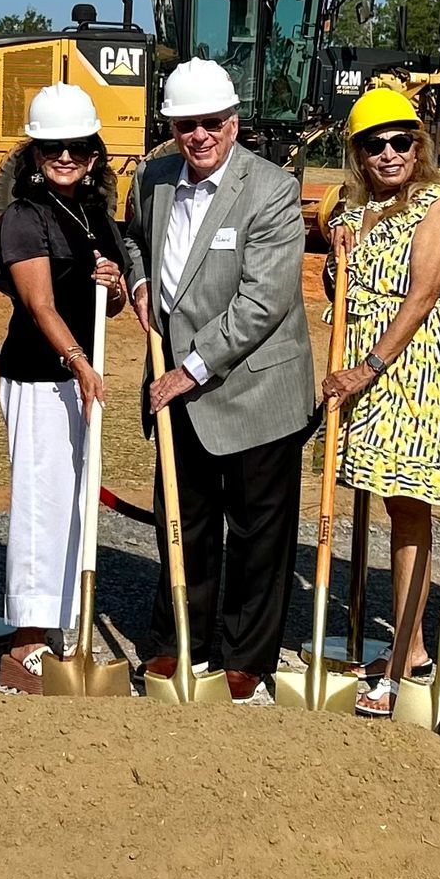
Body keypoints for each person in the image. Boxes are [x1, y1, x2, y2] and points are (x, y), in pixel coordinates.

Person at [121, 58, 316, 700]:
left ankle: (246, 654)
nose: (198, 136)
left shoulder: (271, 189)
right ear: (171, 128)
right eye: (185, 126)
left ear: (233, 122)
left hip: (256, 387)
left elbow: (265, 300)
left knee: (259, 531)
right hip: (178, 386)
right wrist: (143, 281)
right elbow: (132, 240)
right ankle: (184, 638)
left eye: (211, 123)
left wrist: (190, 370)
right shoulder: (152, 179)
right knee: (185, 518)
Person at [320, 90, 440, 716]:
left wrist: (367, 368)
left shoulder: (433, 206)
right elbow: (338, 263)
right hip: (362, 374)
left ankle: (402, 662)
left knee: (409, 511)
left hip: (410, 373)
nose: (390, 154)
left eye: (402, 142)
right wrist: (338, 239)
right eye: (376, 144)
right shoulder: (354, 207)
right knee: (386, 505)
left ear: (418, 147)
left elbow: (422, 298)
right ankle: (415, 648)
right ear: (359, 154)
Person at [0, 85, 130, 692]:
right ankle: (26, 640)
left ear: (93, 154)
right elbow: (39, 305)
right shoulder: (24, 215)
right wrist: (78, 361)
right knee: (41, 503)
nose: (64, 157)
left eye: (76, 147)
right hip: (41, 377)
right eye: (52, 147)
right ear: (35, 151)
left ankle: (64, 622)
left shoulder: (96, 213)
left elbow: (113, 301)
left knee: (74, 501)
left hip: (79, 379)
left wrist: (115, 284)